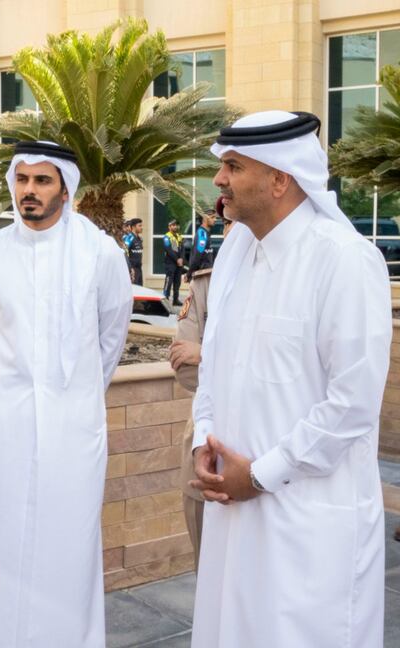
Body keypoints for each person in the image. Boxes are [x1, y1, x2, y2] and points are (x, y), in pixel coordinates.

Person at [190, 111, 391, 647]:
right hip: (232, 516)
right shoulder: (235, 252)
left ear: (280, 177)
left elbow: (351, 404)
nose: (219, 180)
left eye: (233, 166)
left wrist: (258, 476)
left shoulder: (344, 260)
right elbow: (213, 363)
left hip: (306, 527)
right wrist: (200, 442)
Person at [0, 140, 131, 647]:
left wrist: (69, 397)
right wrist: (8, 396)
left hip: (74, 430)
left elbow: (111, 339)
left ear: (65, 188)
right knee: (0, 546)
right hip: (3, 427)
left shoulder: (100, 252)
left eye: (41, 181)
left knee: (68, 547)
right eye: (22, 180)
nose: (28, 191)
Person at [168, 198, 231, 570]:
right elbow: (185, 371)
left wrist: (208, 354)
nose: (232, 232)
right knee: (208, 575)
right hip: (204, 444)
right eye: (227, 225)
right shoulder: (206, 286)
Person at [186, 207, 216, 281]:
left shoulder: (206, 234)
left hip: (206, 274)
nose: (215, 219)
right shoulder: (202, 234)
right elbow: (197, 256)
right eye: (212, 217)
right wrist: (189, 274)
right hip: (201, 276)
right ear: (205, 219)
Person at [163, 219, 183, 305]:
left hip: (179, 263)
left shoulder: (179, 236)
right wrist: (177, 259)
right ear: (169, 227)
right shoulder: (167, 237)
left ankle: (175, 299)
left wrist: (181, 258)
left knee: (177, 282)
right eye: (173, 225)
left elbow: (182, 249)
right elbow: (169, 250)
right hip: (170, 263)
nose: (175, 227)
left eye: (176, 225)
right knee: (169, 281)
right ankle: (165, 298)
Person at [127, 217, 144, 285]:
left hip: (139, 268)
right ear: (133, 227)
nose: (141, 227)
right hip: (132, 269)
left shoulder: (139, 239)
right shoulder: (129, 237)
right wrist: (130, 268)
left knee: (140, 290)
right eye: (139, 226)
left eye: (141, 226)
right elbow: (124, 252)